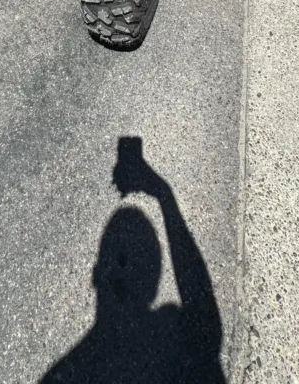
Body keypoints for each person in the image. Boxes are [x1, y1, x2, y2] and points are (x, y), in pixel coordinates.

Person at [42, 139, 224, 383]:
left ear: (96, 276)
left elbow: (207, 328)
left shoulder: (61, 375)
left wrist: (164, 194)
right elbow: (205, 324)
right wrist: (163, 195)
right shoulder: (170, 337)